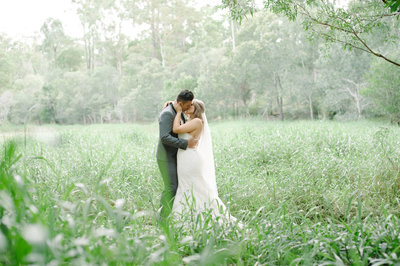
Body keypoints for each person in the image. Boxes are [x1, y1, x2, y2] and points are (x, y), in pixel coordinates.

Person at [171, 99, 239, 224]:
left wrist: (179, 110)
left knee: (196, 187)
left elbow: (176, 129)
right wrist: (172, 104)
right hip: (185, 159)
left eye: (191, 105)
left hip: (191, 159)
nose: (187, 105)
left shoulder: (197, 121)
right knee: (187, 187)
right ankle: (190, 216)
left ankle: (203, 216)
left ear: (196, 108)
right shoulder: (190, 121)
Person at [156, 90, 198, 221]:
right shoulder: (167, 114)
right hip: (166, 157)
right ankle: (162, 219)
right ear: (180, 103)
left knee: (177, 186)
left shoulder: (176, 109)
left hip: (176, 156)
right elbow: (164, 137)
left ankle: (171, 215)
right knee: (171, 187)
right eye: (188, 105)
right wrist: (185, 143)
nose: (189, 107)